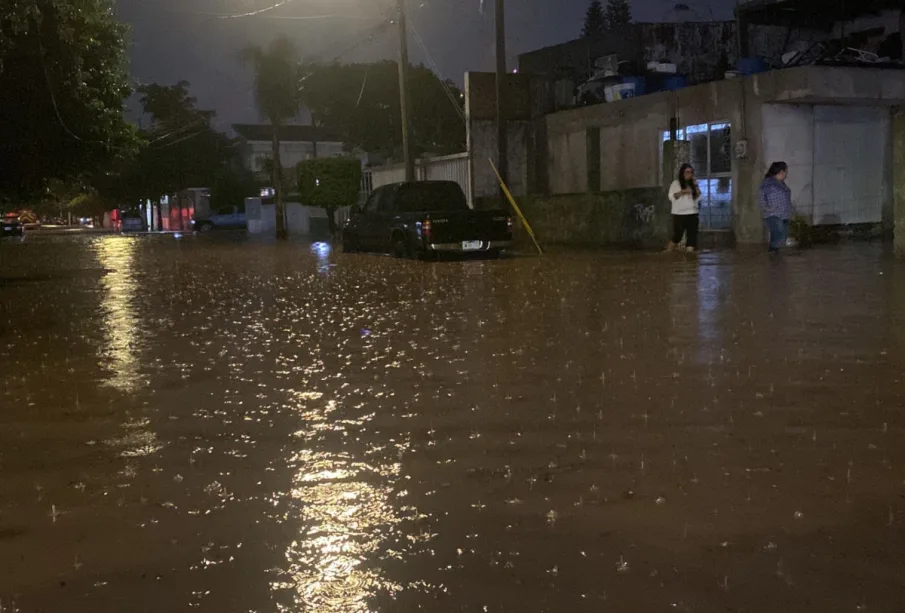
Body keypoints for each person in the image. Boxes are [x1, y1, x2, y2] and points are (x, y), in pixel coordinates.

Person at [760, 162, 793, 254]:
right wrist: (766, 207)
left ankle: (774, 250)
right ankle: (773, 249)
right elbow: (761, 195)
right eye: (786, 171)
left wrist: (791, 210)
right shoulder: (768, 182)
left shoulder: (782, 183)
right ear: (781, 171)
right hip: (773, 213)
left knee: (783, 233)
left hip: (784, 213)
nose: (786, 174)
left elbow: (786, 198)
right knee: (779, 231)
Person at [666, 163, 701, 253]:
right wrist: (683, 192)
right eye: (687, 172)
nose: (689, 174)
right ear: (682, 173)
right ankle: (667, 251)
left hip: (693, 213)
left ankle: (690, 257)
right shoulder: (675, 183)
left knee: (692, 237)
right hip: (679, 214)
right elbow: (671, 197)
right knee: (677, 236)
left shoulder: (693, 184)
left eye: (691, 172)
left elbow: (698, 198)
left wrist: (696, 187)